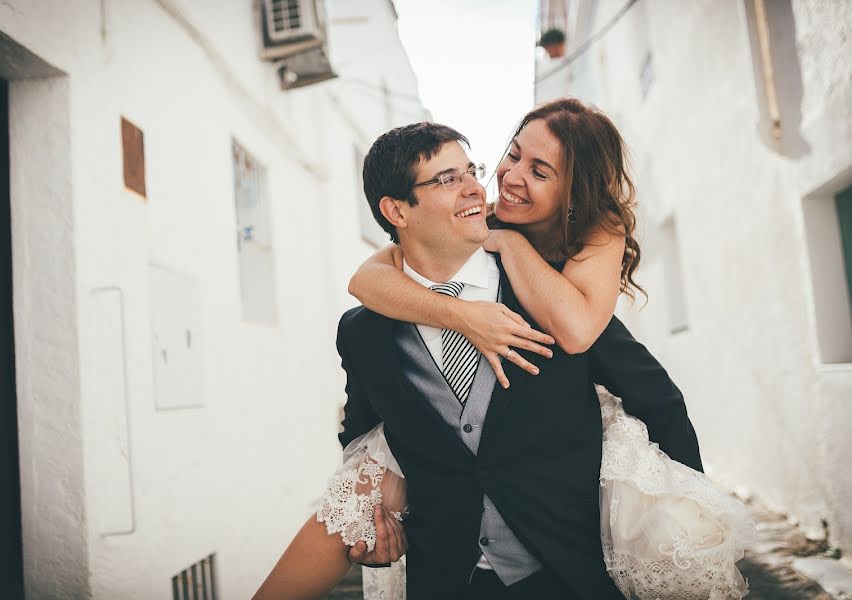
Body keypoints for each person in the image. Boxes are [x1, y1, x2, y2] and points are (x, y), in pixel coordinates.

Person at [253, 101, 750, 600]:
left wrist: (690, 532)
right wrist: (373, 532)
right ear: (396, 210)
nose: (481, 185)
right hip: (446, 582)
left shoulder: (553, 298)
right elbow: (363, 435)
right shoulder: (363, 332)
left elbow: (658, 400)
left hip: (569, 577)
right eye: (449, 179)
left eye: (472, 171)